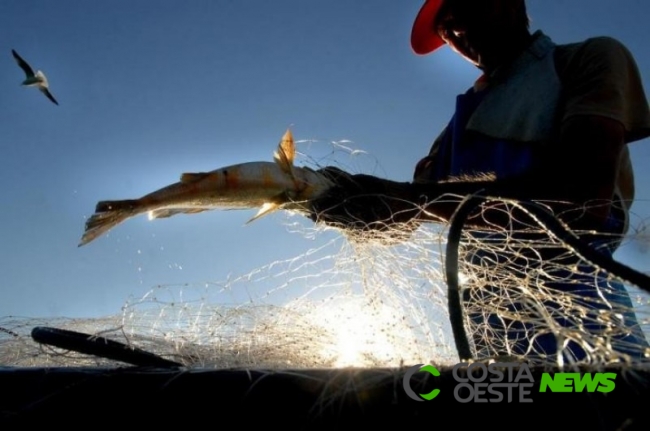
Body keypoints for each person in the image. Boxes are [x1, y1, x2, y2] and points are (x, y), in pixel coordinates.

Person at [307, 0, 650, 362]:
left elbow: (580, 202)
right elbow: (401, 217)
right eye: (446, 27)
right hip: (489, 340)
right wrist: (337, 198)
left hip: (587, 327)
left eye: (467, 7)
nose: (457, 30)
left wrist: (412, 199)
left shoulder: (587, 59)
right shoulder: (450, 134)